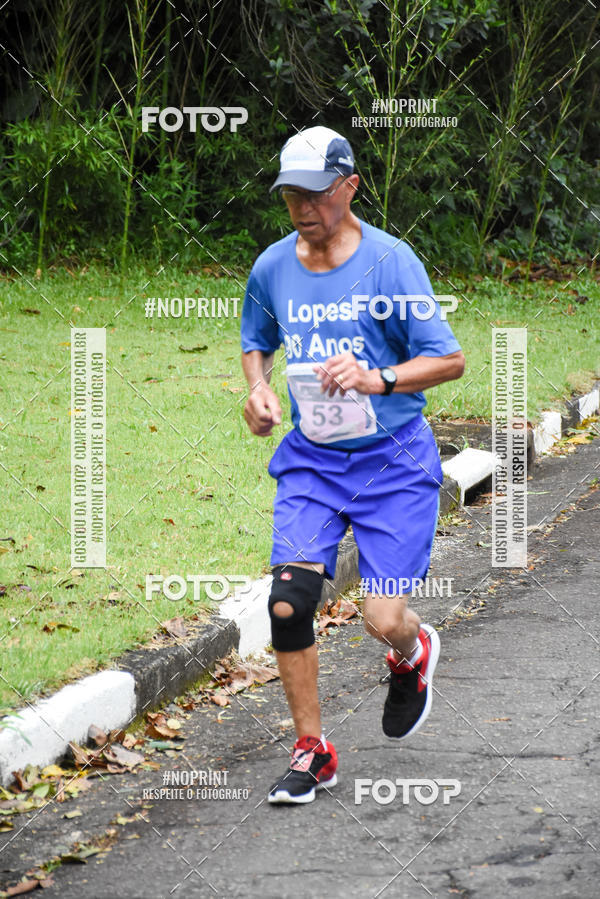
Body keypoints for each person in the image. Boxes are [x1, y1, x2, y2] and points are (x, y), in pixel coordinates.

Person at [240, 125, 465, 804]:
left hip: (393, 464)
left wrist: (377, 378)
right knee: (288, 601)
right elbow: (256, 339)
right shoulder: (272, 266)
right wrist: (257, 389)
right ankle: (312, 750)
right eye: (292, 196)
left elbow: (449, 359)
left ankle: (411, 652)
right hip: (312, 460)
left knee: (380, 617)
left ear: (350, 187)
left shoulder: (392, 263)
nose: (303, 208)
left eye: (316, 194)